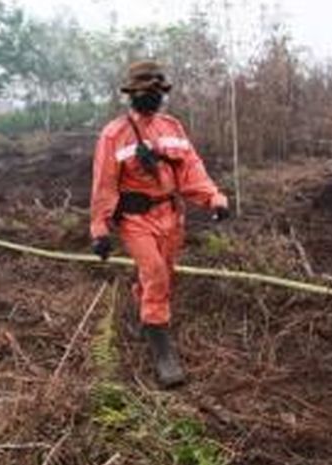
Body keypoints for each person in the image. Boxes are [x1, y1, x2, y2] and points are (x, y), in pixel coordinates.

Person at [90, 60, 229, 388]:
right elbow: (104, 185)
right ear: (131, 94)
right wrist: (100, 229)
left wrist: (214, 198)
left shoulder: (173, 128)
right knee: (154, 273)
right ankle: (163, 351)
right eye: (144, 91)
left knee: (163, 275)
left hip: (171, 216)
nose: (151, 96)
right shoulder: (114, 134)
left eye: (156, 91)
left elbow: (191, 169)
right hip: (136, 219)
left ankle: (146, 316)